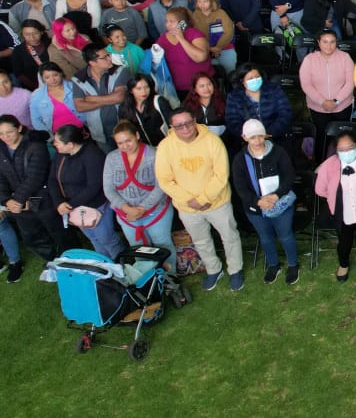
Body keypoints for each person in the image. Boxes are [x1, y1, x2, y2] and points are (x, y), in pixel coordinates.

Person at [155, 107, 244, 291]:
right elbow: (164, 180)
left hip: (217, 202)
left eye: (188, 123)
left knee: (229, 236)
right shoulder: (165, 146)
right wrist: (190, 200)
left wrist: (204, 198)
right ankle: (213, 269)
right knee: (201, 240)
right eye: (179, 126)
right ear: (172, 127)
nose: (185, 128)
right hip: (187, 207)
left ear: (194, 120)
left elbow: (221, 174)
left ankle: (235, 269)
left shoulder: (212, 141)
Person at [231, 119, 300, 285]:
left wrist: (276, 196)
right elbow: (240, 187)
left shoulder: (278, 152)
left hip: (280, 203)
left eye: (260, 136)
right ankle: (273, 264)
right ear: (245, 137)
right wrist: (258, 201)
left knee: (285, 235)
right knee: (265, 238)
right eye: (253, 137)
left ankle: (293, 264)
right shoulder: (240, 159)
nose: (257, 141)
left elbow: (289, 176)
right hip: (256, 207)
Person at [48, 124, 126, 261]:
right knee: (94, 238)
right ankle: (106, 266)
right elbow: (53, 180)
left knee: (106, 239)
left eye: (58, 142)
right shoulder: (61, 156)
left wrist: (70, 205)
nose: (55, 144)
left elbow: (94, 186)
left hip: (95, 205)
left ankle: (123, 265)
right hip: (73, 207)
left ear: (70, 144)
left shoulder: (93, 155)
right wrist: (59, 202)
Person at [102, 120, 175, 266]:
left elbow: (161, 184)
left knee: (163, 244)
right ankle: (146, 279)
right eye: (120, 143)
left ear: (137, 135)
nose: (125, 146)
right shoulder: (112, 158)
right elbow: (108, 188)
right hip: (126, 214)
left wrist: (142, 208)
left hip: (156, 210)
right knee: (138, 249)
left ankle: (170, 278)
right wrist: (126, 208)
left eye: (128, 140)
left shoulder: (154, 154)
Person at [314, 127, 356, 284]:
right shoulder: (328, 166)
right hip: (342, 213)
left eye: (350, 148)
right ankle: (343, 264)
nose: (346, 152)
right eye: (341, 149)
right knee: (344, 242)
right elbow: (320, 190)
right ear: (336, 150)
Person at [0, 114, 61, 268]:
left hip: (43, 198)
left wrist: (18, 199)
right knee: (32, 236)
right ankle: (52, 261)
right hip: (18, 204)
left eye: (9, 132)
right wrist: (7, 200)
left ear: (19, 128)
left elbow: (36, 177)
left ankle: (70, 260)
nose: (5, 137)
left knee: (57, 231)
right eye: (1, 133)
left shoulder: (35, 146)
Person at [225, 63, 293, 140]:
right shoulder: (234, 96)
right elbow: (232, 121)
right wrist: (249, 135)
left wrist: (270, 132)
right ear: (242, 81)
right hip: (248, 140)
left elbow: (285, 112)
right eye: (250, 79)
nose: (255, 80)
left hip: (276, 136)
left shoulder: (273, 89)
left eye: (257, 77)